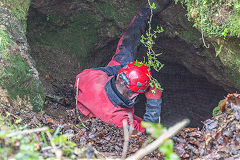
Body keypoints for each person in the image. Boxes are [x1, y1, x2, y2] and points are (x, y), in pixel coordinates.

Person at [75, 0, 169, 132]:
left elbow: (86, 76)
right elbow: (148, 133)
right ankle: (147, 11)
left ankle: (147, 12)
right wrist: (154, 101)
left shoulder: (91, 80)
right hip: (108, 114)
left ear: (119, 75)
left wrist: (121, 68)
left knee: (125, 50)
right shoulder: (122, 120)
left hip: (98, 96)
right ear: (134, 96)